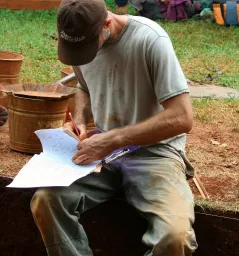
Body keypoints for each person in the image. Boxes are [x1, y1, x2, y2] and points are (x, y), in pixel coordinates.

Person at [30, 0, 198, 255]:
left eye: (89, 47)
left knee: (174, 237)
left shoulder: (151, 40)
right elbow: (84, 86)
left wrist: (112, 140)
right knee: (45, 200)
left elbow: (182, 118)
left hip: (155, 153)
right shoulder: (82, 41)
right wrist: (80, 120)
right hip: (102, 155)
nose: (85, 55)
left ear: (106, 23)